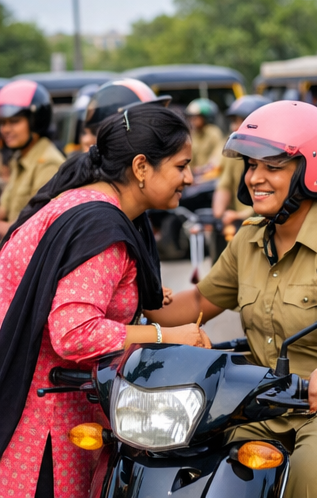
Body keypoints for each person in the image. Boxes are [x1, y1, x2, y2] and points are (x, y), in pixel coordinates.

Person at [154, 100, 317, 498]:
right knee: (196, 460)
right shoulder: (250, 238)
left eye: (273, 167)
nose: (256, 177)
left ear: (312, 170)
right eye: (252, 166)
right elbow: (196, 304)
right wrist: (127, 296)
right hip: (267, 408)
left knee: (313, 472)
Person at [0, 104, 210, 498]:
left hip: (28, 403)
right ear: (142, 166)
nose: (189, 177)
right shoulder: (102, 228)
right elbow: (74, 332)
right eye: (181, 165)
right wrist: (168, 335)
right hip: (43, 423)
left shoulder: (77, 201)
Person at [0, 81, 65, 238]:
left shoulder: (48, 163)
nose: (6, 129)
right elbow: (4, 209)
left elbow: (35, 232)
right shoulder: (20, 158)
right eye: (2, 123)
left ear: (36, 122)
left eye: (14, 122)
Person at [211, 94, 270, 231]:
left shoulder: (270, 157)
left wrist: (239, 215)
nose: (235, 127)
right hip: (240, 223)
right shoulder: (234, 153)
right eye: (234, 121)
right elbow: (224, 184)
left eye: (241, 121)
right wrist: (217, 217)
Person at [186, 98, 225, 179]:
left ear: (206, 117)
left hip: (210, 177)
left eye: (196, 117)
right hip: (195, 178)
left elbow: (218, 155)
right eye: (191, 117)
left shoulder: (213, 133)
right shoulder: (191, 135)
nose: (192, 120)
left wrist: (205, 168)